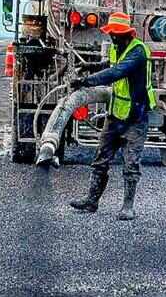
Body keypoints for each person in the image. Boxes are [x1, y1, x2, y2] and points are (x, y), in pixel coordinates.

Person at [67, 12, 156, 221]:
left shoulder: (137, 52)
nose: (111, 38)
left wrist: (86, 81)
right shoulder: (119, 48)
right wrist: (92, 66)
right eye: (111, 34)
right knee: (100, 159)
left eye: (114, 34)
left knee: (131, 163)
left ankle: (128, 207)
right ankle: (91, 201)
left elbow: (117, 73)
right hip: (115, 115)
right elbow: (110, 67)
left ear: (125, 34)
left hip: (136, 116)